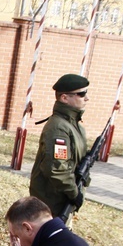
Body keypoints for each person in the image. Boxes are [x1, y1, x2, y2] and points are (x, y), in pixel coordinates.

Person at [29, 73, 91, 219]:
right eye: (81, 94)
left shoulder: (75, 126)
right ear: (64, 98)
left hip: (62, 200)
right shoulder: (58, 128)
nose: (87, 98)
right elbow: (57, 169)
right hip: (51, 204)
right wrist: (74, 193)